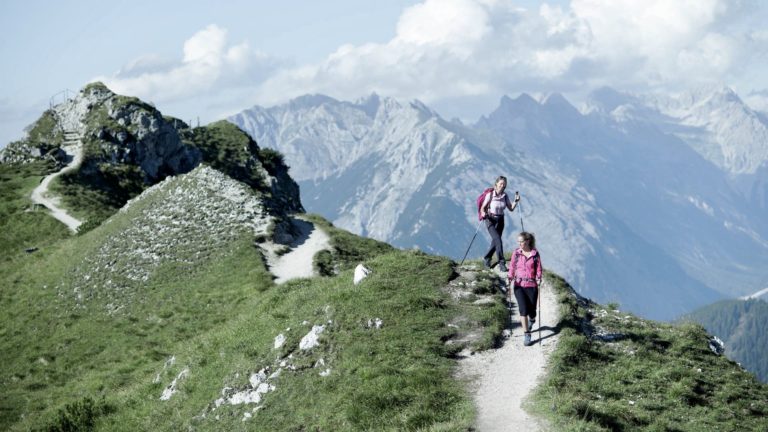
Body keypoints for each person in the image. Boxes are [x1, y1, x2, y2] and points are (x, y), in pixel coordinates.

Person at [507, 231, 543, 347]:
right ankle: (527, 334)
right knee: (523, 310)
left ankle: (532, 319)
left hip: (532, 285)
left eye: (521, 241)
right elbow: (512, 266)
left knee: (532, 310)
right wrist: (510, 277)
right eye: (518, 242)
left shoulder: (535, 254)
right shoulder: (516, 253)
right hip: (519, 285)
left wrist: (539, 277)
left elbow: (538, 268)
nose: (519, 244)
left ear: (527, 241)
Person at [479, 176, 519, 272]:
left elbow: (511, 208)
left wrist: (516, 201)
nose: (503, 185)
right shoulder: (490, 195)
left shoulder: (505, 196)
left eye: (504, 184)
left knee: (495, 241)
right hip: (490, 220)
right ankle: (502, 263)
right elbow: (482, 208)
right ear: (496, 184)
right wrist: (483, 213)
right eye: (501, 183)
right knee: (498, 240)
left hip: (500, 220)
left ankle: (487, 258)